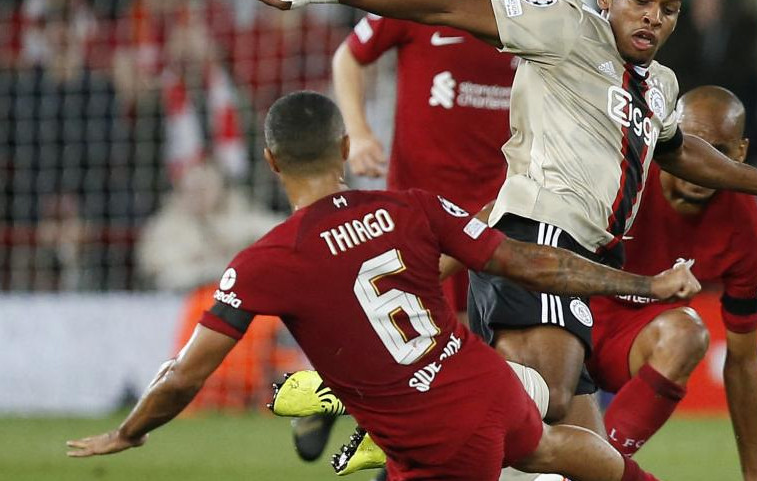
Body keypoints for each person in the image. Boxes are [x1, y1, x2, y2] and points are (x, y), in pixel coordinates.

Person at [255, 0, 757, 440]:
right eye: (641, 0)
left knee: (580, 452)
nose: (653, 17)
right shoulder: (566, 28)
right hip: (540, 231)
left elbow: (679, 149)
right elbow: (440, 6)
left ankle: (405, 409)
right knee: (551, 396)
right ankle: (387, 397)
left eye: (668, 10)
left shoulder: (660, 83)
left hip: (586, 254)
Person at [66, 90, 701, 481]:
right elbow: (528, 261)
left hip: (436, 441)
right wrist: (641, 282)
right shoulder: (414, 208)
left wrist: (131, 431)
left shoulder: (264, 262)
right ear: (345, 146)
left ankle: (328, 401)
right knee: (547, 449)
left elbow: (183, 376)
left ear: (270, 161)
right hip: (489, 386)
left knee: (538, 453)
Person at [334, 0, 548, 316]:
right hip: (419, 210)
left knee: (500, 350)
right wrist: (358, 132)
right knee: (419, 341)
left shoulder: (538, 11)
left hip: (501, 212)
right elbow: (348, 57)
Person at [587, 86, 757, 480]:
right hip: (569, 319)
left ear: (740, 154)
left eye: (719, 149)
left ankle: (595, 466)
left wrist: (754, 476)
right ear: (668, 134)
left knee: (688, 333)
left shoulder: (744, 226)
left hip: (631, 341)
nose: (703, 163)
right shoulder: (622, 174)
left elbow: (743, 361)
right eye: (693, 145)